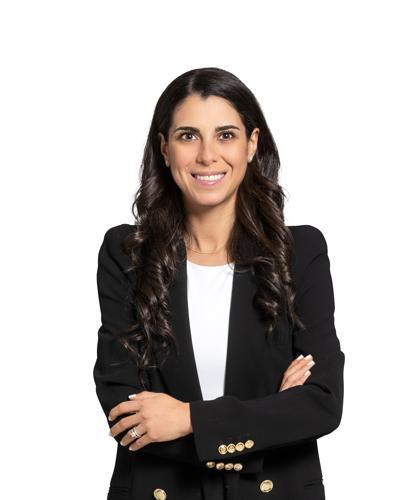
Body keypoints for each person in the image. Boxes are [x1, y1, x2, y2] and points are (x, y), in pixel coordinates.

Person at [93, 67, 345, 500]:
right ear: (164, 148)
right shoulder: (127, 253)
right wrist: (269, 416)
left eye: (225, 135)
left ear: (252, 144)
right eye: (188, 136)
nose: (207, 155)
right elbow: (125, 411)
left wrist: (187, 419)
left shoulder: (300, 253)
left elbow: (322, 403)